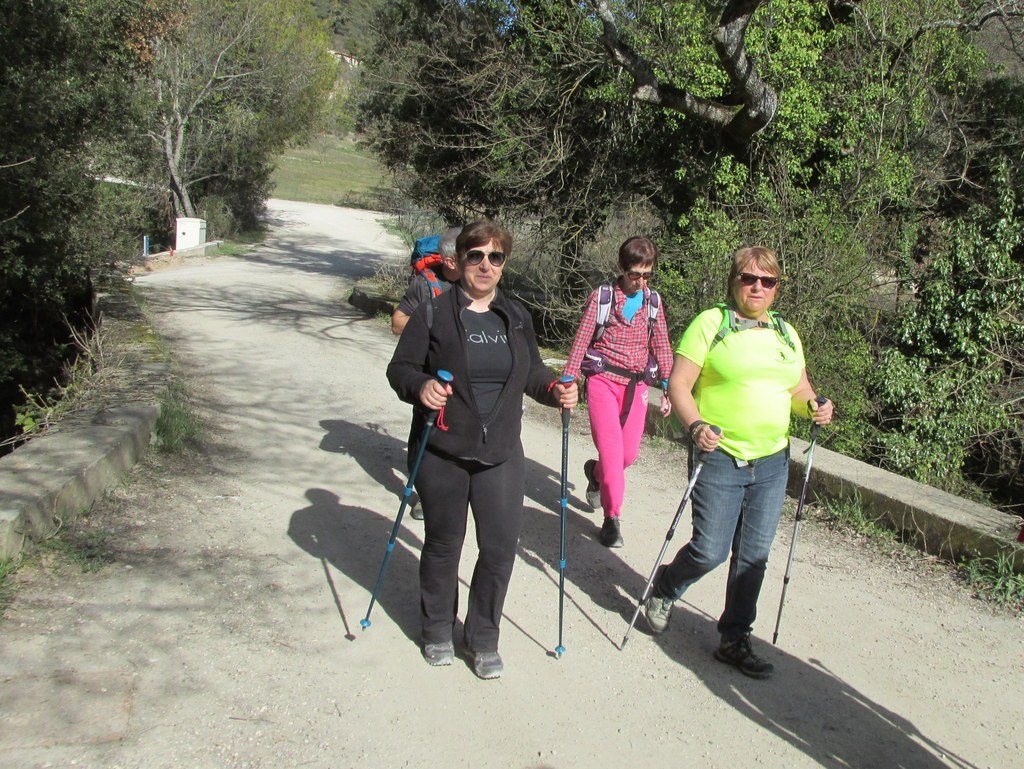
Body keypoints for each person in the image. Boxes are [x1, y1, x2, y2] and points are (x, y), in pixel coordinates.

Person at [386, 219, 577, 680]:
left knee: (498, 549)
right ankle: (436, 629)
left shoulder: (515, 317)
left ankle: (483, 637)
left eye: (496, 257)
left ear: (504, 263)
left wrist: (554, 390)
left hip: (502, 455)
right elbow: (401, 370)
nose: (486, 265)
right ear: (459, 261)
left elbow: (531, 372)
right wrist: (423, 386)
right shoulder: (433, 312)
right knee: (443, 544)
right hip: (444, 451)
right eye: (476, 255)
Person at [643, 245, 833, 680]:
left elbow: (798, 391)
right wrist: (695, 427)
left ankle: (734, 638)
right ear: (734, 281)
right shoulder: (712, 323)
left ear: (777, 287)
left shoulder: (787, 334)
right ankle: (667, 586)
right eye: (749, 278)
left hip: (771, 460)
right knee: (709, 549)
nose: (758, 287)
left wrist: (816, 406)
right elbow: (679, 384)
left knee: (753, 557)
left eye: (767, 281)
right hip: (720, 454)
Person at [561, 237, 674, 548]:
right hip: (603, 381)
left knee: (628, 455)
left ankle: (596, 475)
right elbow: (583, 338)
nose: (640, 281)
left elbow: (661, 343)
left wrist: (668, 385)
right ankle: (612, 518)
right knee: (612, 454)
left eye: (647, 275)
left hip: (637, 384)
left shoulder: (653, 302)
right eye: (634, 274)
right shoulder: (603, 297)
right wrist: (568, 379)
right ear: (621, 268)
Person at [391, 226, 462, 336]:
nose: (481, 262)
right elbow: (397, 325)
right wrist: (436, 321)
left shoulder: (481, 284)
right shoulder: (424, 284)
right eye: (473, 256)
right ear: (451, 262)